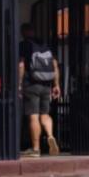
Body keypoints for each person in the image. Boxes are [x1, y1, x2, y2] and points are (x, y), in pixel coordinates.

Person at [17, 23, 61, 156]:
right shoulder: (44, 45)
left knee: (34, 117)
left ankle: (36, 149)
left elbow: (21, 64)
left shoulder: (24, 45)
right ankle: (50, 136)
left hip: (31, 84)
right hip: (46, 85)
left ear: (23, 32)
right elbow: (55, 65)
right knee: (45, 115)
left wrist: (19, 84)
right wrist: (56, 85)